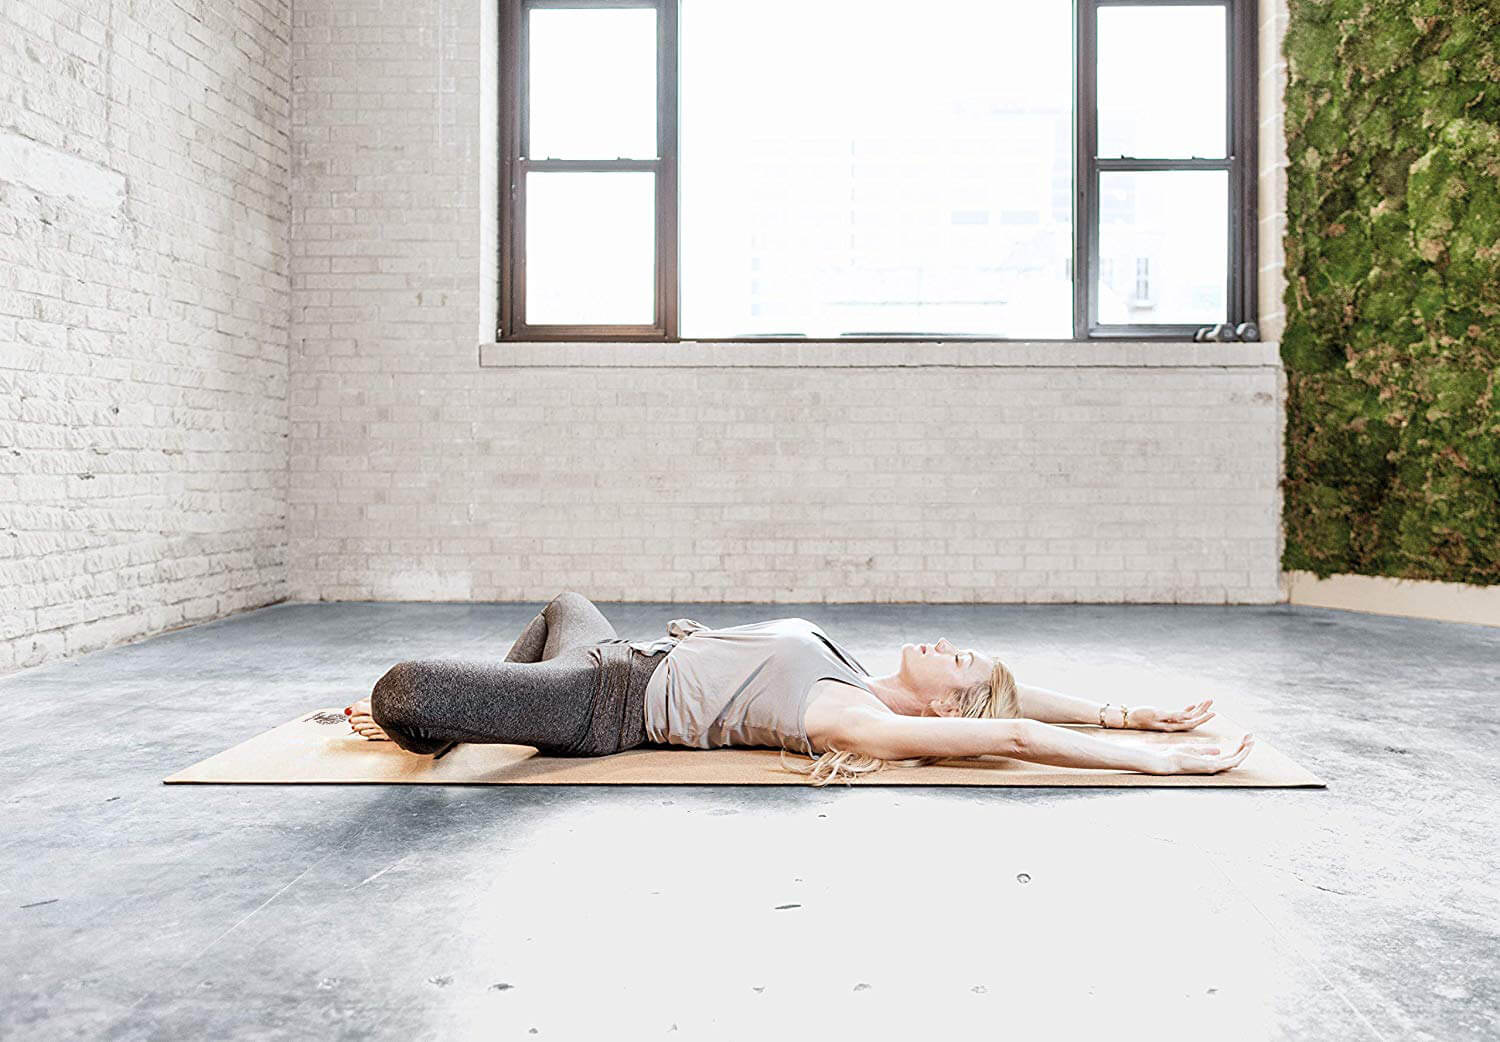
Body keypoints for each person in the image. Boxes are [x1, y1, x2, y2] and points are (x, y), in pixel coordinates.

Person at [345, 591, 1254, 786]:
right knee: (564, 603)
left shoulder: (851, 715)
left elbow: (1011, 734)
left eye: (961, 662)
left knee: (406, 691)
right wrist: (1122, 708)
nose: (951, 646)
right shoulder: (857, 670)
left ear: (944, 709)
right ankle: (474, 714)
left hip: (600, 708)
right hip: (608, 655)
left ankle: (439, 725)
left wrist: (1147, 761)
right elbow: (1021, 702)